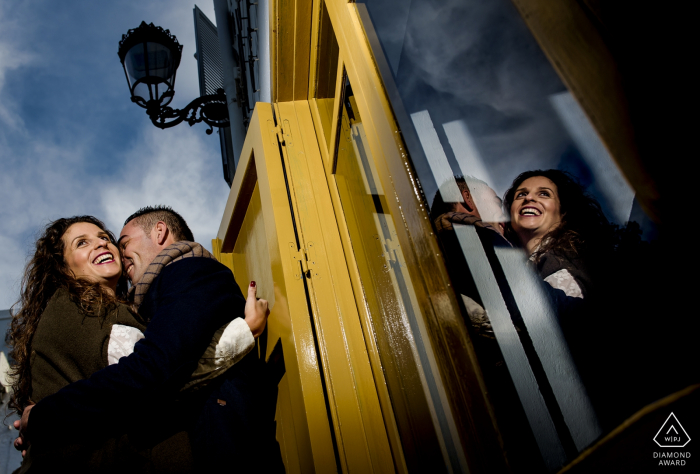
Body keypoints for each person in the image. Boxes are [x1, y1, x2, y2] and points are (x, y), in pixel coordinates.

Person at [11, 210, 278, 472]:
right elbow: (151, 378)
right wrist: (242, 333)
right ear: (63, 269)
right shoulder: (75, 308)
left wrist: (41, 419)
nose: (103, 243)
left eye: (106, 238)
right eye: (82, 242)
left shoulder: (119, 308)